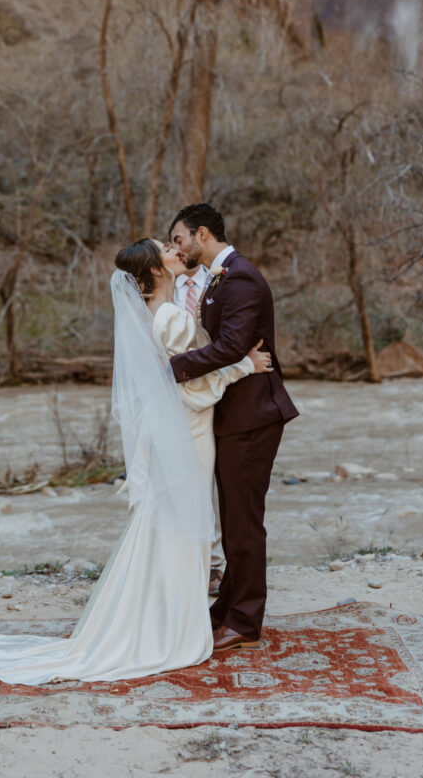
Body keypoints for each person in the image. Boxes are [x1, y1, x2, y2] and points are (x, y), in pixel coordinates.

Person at [0, 239, 270, 685]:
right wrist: (243, 366)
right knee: (184, 522)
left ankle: (163, 615)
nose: (174, 248)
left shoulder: (153, 315)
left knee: (170, 521)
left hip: (179, 431)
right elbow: (186, 386)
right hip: (188, 431)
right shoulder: (168, 318)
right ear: (154, 271)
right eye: (165, 248)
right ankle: (171, 627)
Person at [169, 203, 299, 652]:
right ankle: (226, 608)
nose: (177, 248)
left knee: (244, 523)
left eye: (180, 239)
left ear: (202, 234)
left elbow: (230, 347)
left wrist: (169, 368)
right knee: (235, 519)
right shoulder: (219, 276)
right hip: (234, 413)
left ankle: (244, 621)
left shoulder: (240, 277)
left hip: (253, 414)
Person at [173, 261, 225, 595]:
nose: (177, 249)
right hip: (182, 397)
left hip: (223, 392)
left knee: (218, 481)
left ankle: (215, 562)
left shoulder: (220, 282)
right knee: (188, 480)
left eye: (179, 240)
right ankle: (192, 561)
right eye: (171, 242)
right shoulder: (163, 293)